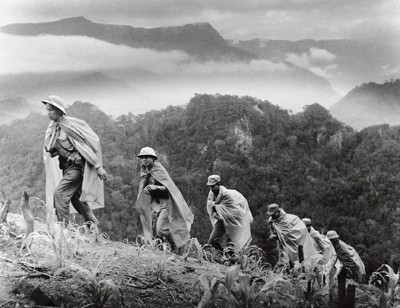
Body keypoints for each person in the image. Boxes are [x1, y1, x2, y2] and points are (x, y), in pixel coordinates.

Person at [42, 95, 107, 226]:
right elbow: (55, 149)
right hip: (67, 168)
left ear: (59, 111)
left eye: (51, 110)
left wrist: (97, 166)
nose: (48, 113)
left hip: (77, 168)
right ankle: (93, 226)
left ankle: (65, 229)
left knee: (60, 194)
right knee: (77, 200)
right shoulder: (56, 128)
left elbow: (83, 147)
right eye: (47, 110)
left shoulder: (68, 127)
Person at [135, 147, 193, 252]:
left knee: (161, 229)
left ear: (153, 158)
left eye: (147, 157)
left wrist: (155, 188)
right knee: (152, 227)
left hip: (166, 203)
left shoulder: (159, 170)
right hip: (154, 203)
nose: (144, 159)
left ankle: (175, 246)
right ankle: (158, 249)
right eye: (142, 157)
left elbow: (168, 188)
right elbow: (143, 185)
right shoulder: (144, 169)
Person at [206, 175, 253, 251]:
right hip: (221, 221)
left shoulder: (227, 195)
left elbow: (233, 210)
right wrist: (214, 212)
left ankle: (232, 260)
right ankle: (223, 255)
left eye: (213, 186)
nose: (211, 188)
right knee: (212, 240)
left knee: (232, 244)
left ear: (218, 184)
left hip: (233, 221)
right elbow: (212, 205)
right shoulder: (211, 194)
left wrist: (220, 211)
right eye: (209, 186)